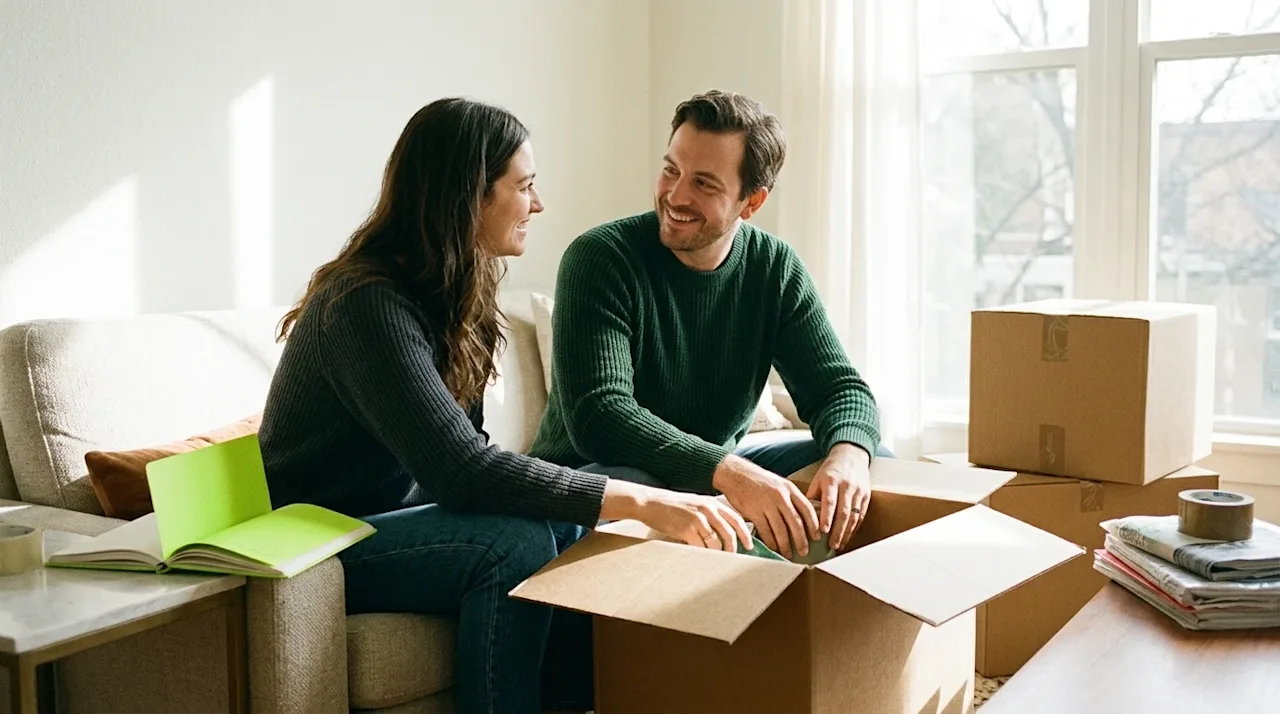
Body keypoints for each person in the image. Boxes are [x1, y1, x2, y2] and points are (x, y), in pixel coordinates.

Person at [257, 97, 751, 714]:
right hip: (314, 544)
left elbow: (472, 461)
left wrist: (625, 495)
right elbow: (460, 469)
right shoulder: (364, 305)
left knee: (604, 493)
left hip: (396, 521)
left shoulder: (455, 289)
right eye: (524, 186)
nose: (537, 204)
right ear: (470, 196)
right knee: (514, 543)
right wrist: (644, 503)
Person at [528, 90, 888, 563]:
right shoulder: (601, 258)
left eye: (704, 184)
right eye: (671, 170)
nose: (676, 196)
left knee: (872, 471)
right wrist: (731, 473)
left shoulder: (774, 268)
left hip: (706, 475)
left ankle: (834, 606)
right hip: (600, 480)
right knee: (643, 481)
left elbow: (839, 389)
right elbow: (601, 417)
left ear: (751, 202)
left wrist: (849, 455)